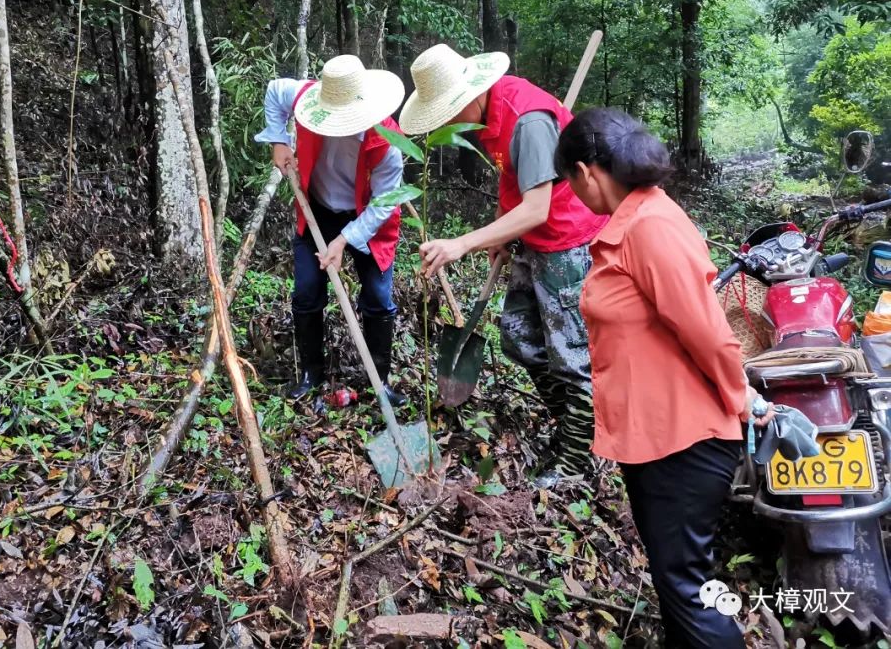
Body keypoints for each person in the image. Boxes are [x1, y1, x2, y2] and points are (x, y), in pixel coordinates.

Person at [553, 107, 773, 649]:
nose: (573, 193)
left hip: (685, 439)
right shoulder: (636, 221)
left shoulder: (649, 228)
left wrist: (740, 395)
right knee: (677, 581)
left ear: (585, 173)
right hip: (660, 436)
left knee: (687, 586)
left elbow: (706, 330)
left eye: (570, 183)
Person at [399, 44, 608, 485]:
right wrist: (498, 231)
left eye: (447, 112)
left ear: (467, 98)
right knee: (517, 338)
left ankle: (579, 460)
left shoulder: (527, 119)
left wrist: (463, 243)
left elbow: (537, 209)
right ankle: (569, 429)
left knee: (571, 358)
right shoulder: (491, 119)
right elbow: (514, 184)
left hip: (567, 242)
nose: (446, 123)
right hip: (531, 243)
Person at [256, 54, 407, 405]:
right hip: (318, 211)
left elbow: (385, 204)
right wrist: (279, 140)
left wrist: (344, 240)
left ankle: (378, 380)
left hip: (367, 217)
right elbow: (275, 91)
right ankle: (311, 373)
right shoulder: (309, 100)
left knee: (378, 298)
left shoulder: (387, 143)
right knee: (307, 291)